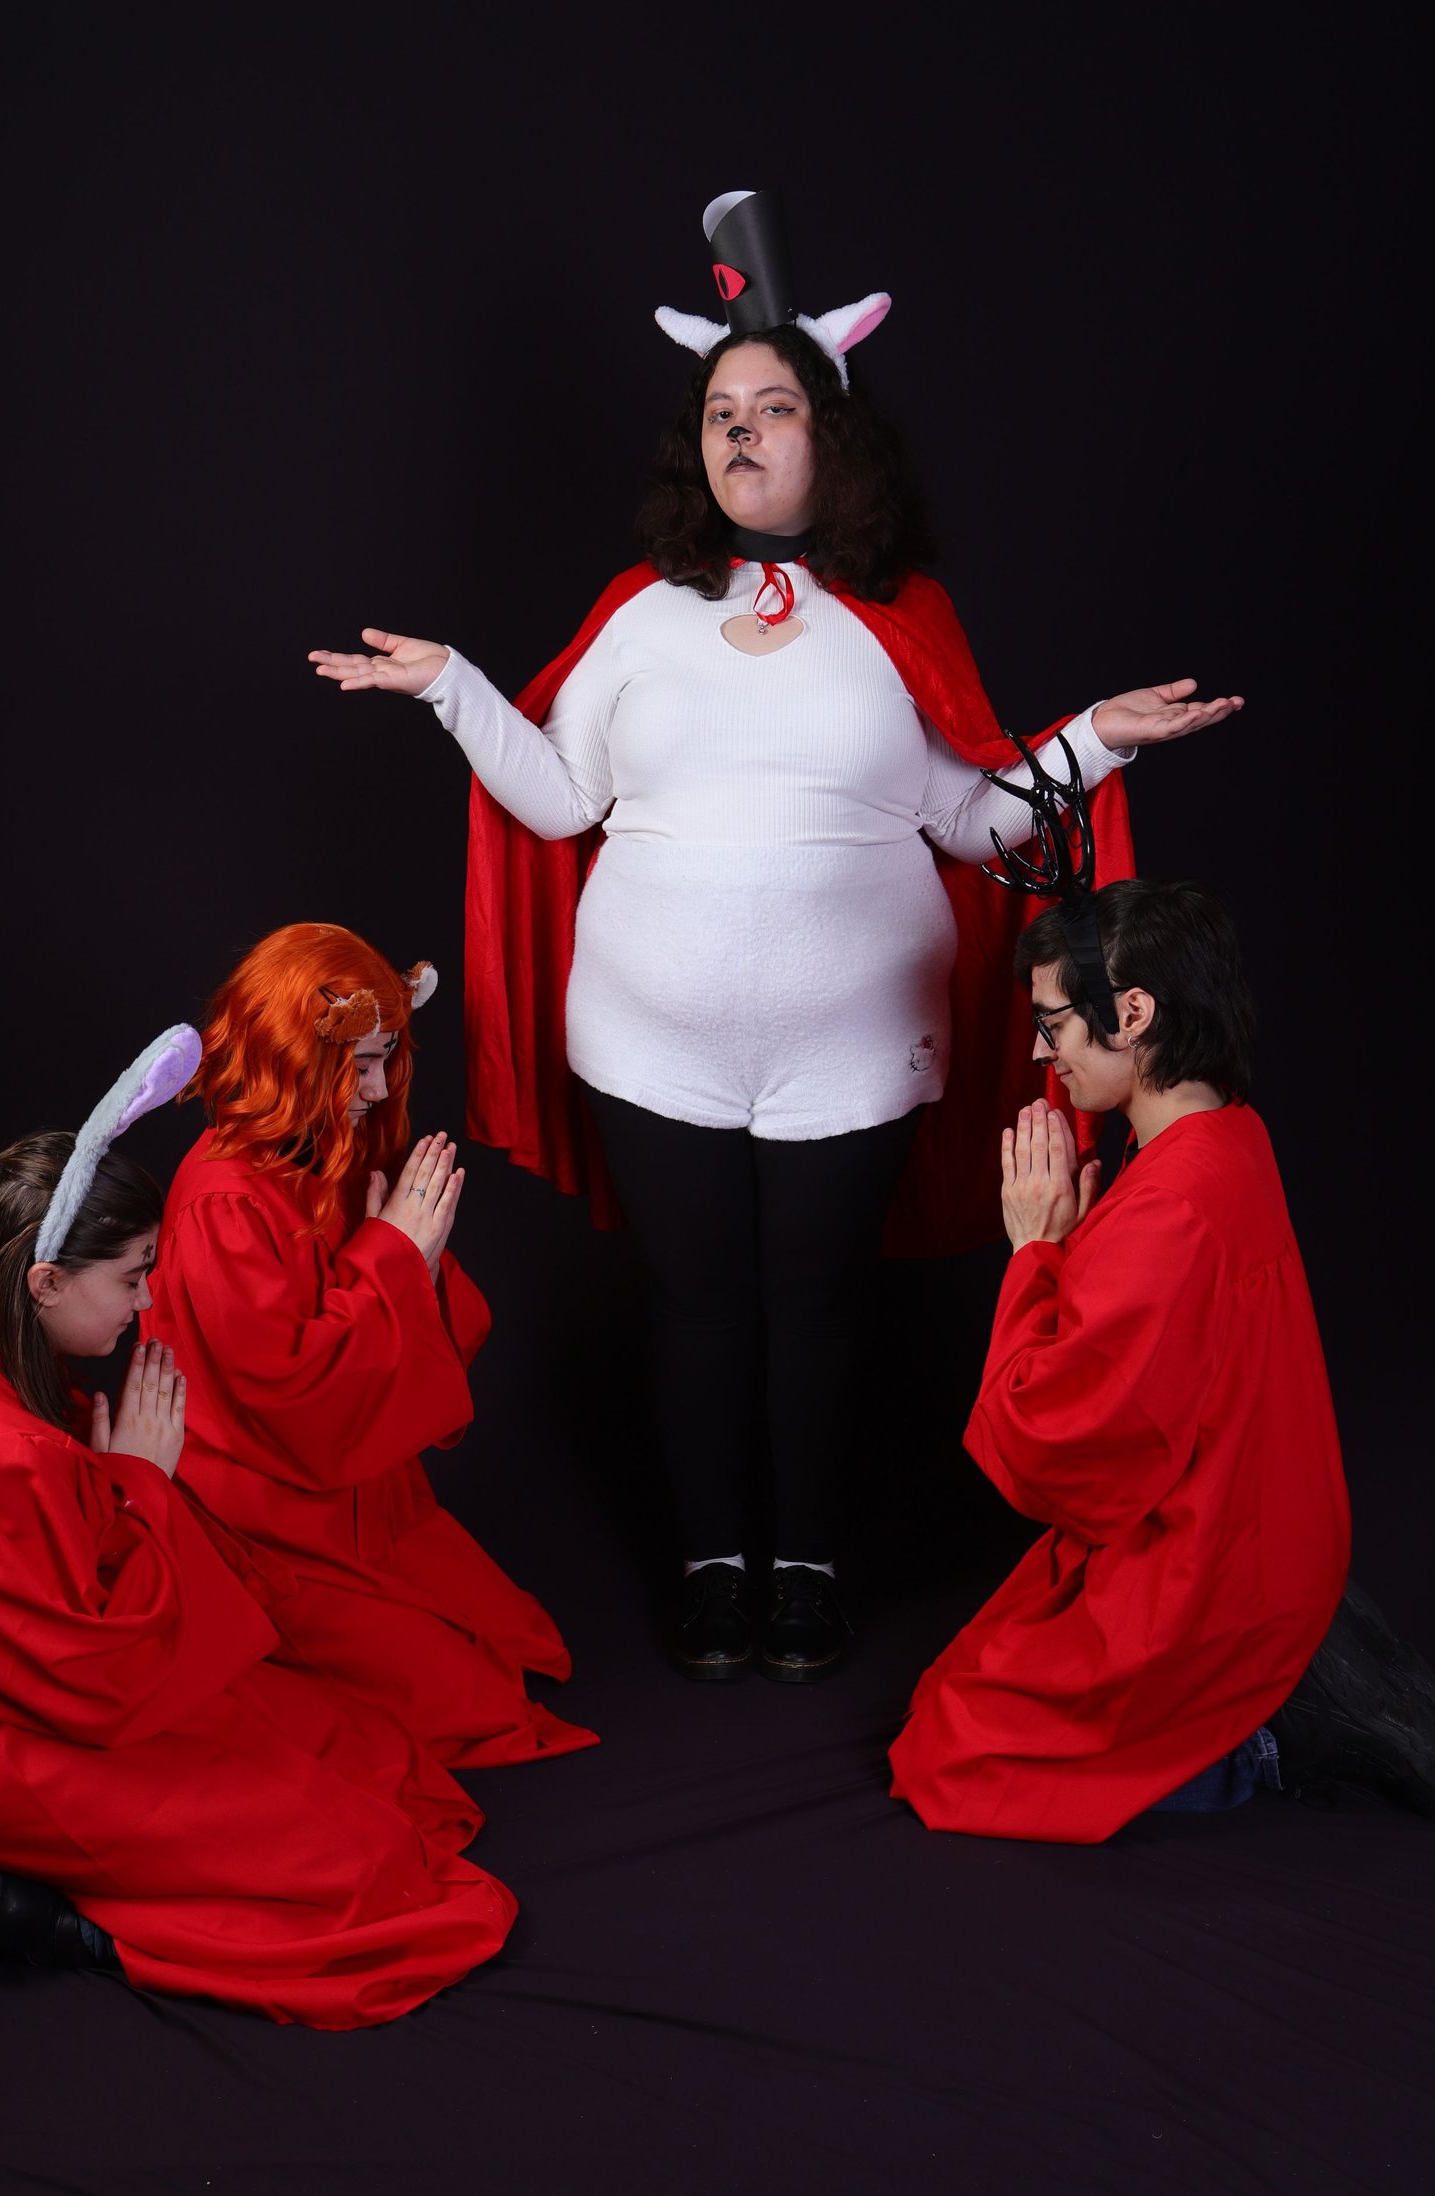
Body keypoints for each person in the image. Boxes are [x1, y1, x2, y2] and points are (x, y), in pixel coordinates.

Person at [308, 186, 1241, 1686]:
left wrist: (1094, 742)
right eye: (720, 412)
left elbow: (972, 823)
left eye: (776, 407)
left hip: (855, 1056)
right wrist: (451, 689)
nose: (742, 431)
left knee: (814, 1310)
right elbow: (558, 802)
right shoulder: (640, 615)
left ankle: (800, 1566)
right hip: (648, 1045)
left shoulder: (899, 615)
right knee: (695, 1309)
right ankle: (709, 1567)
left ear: (834, 436)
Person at [0, 1034, 517, 2028]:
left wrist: (121, 1489)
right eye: (131, 1277)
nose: (149, 1300)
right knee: (375, 1884)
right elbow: (90, 1669)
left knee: (373, 1762)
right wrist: (142, 1486)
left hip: (38, 1689)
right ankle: (64, 1926)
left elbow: (53, 1605)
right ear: (44, 1284)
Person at [888, 878, 1435, 1839]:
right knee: (968, 1692)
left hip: (1211, 1574)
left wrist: (1034, 1253)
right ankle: (1274, 1685)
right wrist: (1083, 1253)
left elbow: (1058, 1454)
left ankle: (1257, 1739)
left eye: (1053, 1023)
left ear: (1132, 1013)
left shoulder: (1169, 1206)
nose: (1040, 1052)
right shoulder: (1229, 1132)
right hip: (1271, 1540)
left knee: (950, 1750)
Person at [144, 923, 596, 1767]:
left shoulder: (328, 1152)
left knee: (517, 1643)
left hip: (366, 1500)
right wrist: (396, 1254)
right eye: (361, 1065)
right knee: (471, 1708)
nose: (381, 1089)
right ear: (293, 1057)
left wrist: (415, 1261)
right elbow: (290, 1395)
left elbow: (421, 1323)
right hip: (269, 1520)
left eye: (387, 1059)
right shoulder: (221, 1203)